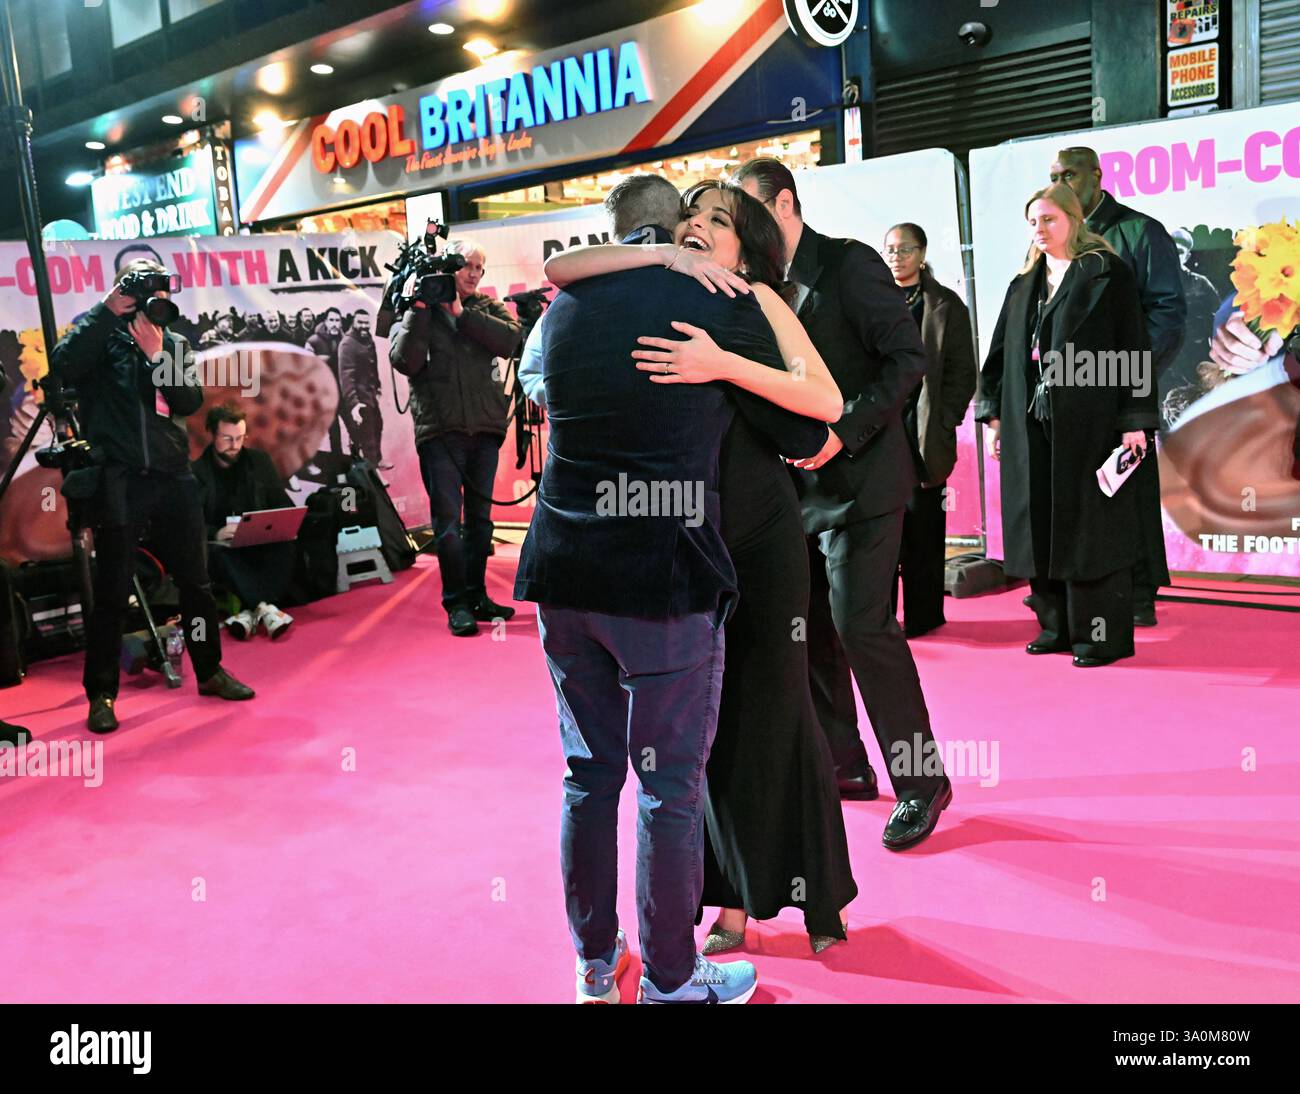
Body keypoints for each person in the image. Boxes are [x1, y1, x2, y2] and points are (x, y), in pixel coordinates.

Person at [516, 175, 831, 1006]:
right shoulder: (719, 302)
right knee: (667, 787)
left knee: (588, 777)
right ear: (672, 232)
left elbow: (549, 358)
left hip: (563, 571)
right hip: (662, 579)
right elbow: (814, 423)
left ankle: (593, 965)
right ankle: (671, 978)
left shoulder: (564, 308)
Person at [734, 157, 952, 849]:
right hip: (792, 492)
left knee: (864, 628)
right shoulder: (758, 287)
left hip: (862, 480)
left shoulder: (850, 264)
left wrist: (844, 433)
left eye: (747, 212)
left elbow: (907, 359)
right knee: (808, 635)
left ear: (785, 204)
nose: (738, 229)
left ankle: (922, 781)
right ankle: (845, 764)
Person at [49, 259, 255, 733]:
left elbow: (187, 403)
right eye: (142, 281)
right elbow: (63, 367)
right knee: (112, 591)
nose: (152, 291)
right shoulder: (100, 336)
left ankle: (209, 669)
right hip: (119, 478)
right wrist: (104, 313)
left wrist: (159, 355)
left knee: (197, 584)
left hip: (172, 475)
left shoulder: (175, 341)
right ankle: (101, 693)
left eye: (160, 281)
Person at [975, 183, 1155, 666]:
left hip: (1091, 422)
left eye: (1049, 219)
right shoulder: (1022, 285)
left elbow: (1132, 348)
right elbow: (998, 355)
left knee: (1091, 527)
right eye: (1033, 221)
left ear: (1075, 221)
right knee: (1038, 521)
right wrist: (993, 416)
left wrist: (1134, 421)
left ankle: (1099, 638)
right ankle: (1055, 627)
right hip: (1028, 421)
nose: (1039, 229)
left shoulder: (1106, 274)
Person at [1049, 147, 1185, 627]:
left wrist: (1127, 379)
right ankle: (1081, 592)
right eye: (1054, 176)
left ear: (1096, 177)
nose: (1062, 181)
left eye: (1070, 174)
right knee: (1085, 493)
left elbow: (1168, 314)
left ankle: (1140, 595)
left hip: (1122, 394)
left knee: (1128, 491)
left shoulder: (1138, 231)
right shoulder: (1056, 238)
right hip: (1070, 397)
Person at [390, 240, 522, 637]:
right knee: (447, 523)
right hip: (440, 431)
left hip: (483, 429)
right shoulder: (417, 311)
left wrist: (461, 314)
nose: (473, 273)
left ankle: (478, 594)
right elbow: (405, 361)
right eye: (466, 265)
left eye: (480, 268)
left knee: (481, 521)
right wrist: (419, 309)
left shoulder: (485, 308)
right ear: (448, 268)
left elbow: (509, 341)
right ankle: (456, 604)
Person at [882, 223, 977, 638]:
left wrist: (944, 418)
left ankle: (924, 616)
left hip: (924, 430)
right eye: (889, 250)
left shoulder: (946, 305)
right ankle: (878, 619)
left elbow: (962, 372)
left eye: (904, 249)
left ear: (921, 253)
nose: (896, 257)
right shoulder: (874, 301)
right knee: (880, 533)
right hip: (879, 429)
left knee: (923, 530)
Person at [192, 403, 296, 640]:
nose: (235, 445)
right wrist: (216, 532)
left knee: (287, 545)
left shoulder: (258, 462)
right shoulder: (196, 472)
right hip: (222, 547)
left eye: (240, 438)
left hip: (258, 539)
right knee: (218, 555)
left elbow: (281, 503)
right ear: (213, 435)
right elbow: (192, 523)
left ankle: (250, 613)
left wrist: (275, 524)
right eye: (227, 438)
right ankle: (266, 609)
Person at [338, 310, 388, 469]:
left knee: (377, 426)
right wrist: (354, 404)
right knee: (367, 436)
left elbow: (373, 366)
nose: (364, 326)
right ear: (354, 322)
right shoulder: (347, 344)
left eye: (366, 322)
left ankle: (377, 461)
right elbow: (346, 377)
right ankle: (373, 473)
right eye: (360, 322)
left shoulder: (367, 339)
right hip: (360, 399)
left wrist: (378, 386)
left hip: (371, 395)